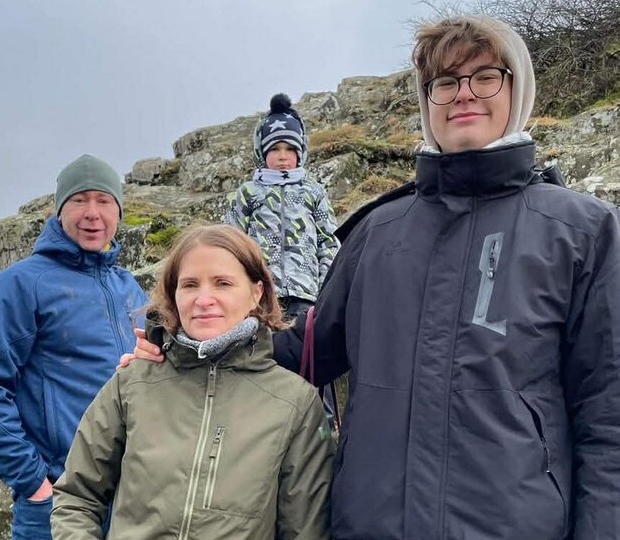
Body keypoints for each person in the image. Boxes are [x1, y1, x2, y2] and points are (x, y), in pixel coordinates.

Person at [126, 15, 620, 540]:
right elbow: (307, 352)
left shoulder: (582, 231)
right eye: (445, 82)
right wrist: (183, 343)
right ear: (427, 99)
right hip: (369, 525)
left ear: (517, 89)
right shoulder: (379, 229)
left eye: (485, 77)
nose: (463, 94)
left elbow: (608, 417)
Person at [52, 224, 334, 540]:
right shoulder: (132, 383)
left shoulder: (295, 403)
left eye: (223, 283)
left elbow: (306, 530)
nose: (203, 299)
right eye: (189, 285)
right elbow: (77, 497)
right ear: (174, 295)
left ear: (256, 293)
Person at [0, 154, 147, 540]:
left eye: (103, 200)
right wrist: (34, 483)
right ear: (59, 210)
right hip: (57, 500)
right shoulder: (20, 284)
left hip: (132, 500)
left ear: (118, 211)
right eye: (79, 200)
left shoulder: (128, 286)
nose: (92, 213)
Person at [223, 92, 340, 320]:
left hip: (307, 296)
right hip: (259, 296)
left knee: (303, 342)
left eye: (290, 149)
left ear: (300, 152)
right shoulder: (248, 192)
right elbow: (230, 243)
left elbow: (329, 242)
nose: (282, 156)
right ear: (262, 152)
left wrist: (325, 287)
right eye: (275, 149)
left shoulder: (314, 191)